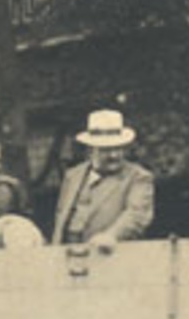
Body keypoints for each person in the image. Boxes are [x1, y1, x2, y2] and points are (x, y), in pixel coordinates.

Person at [51, 108, 155, 252]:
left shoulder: (138, 177)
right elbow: (61, 220)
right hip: (70, 258)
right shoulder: (73, 176)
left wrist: (111, 236)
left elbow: (137, 215)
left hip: (113, 259)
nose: (114, 155)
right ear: (91, 148)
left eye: (119, 148)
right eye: (106, 149)